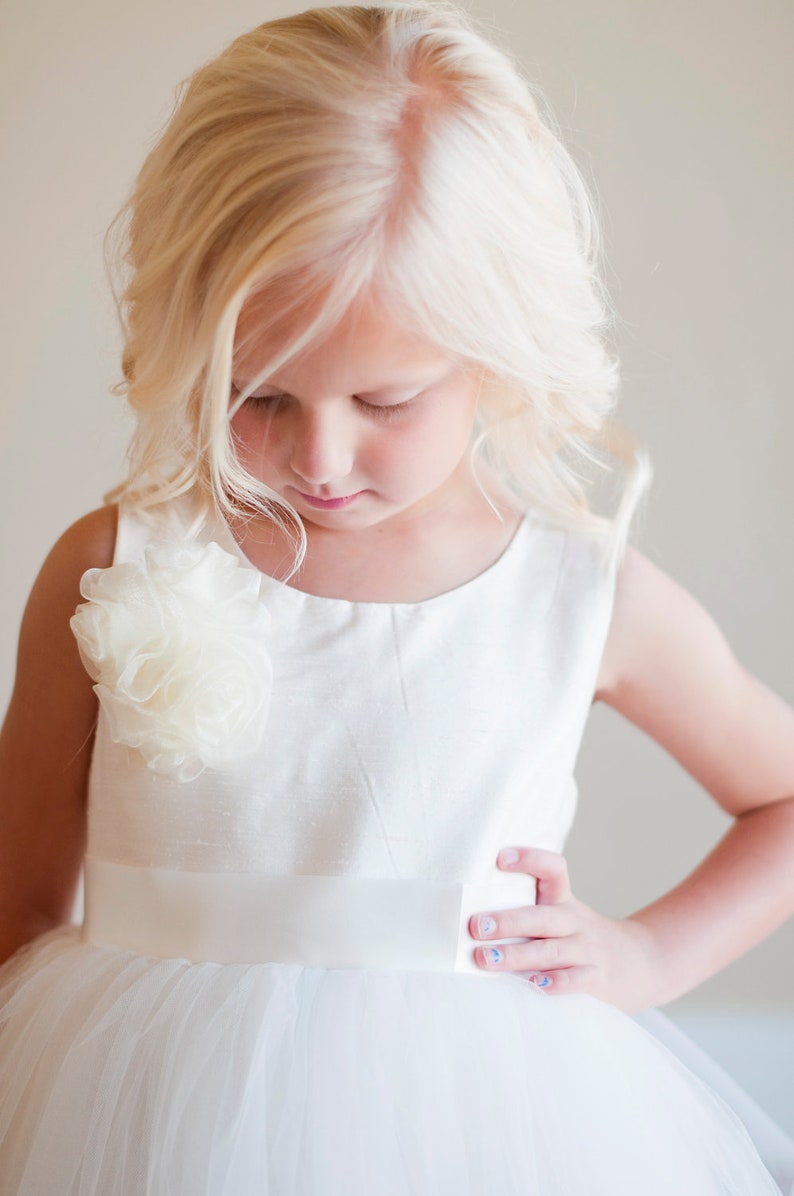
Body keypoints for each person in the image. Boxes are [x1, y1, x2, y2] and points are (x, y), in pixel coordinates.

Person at [0, 3, 792, 1192]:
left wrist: (645, 950)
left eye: (384, 401)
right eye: (259, 394)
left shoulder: (574, 594)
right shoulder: (114, 564)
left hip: (476, 1127)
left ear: (497, 352)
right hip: (139, 1112)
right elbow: (17, 901)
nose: (318, 457)